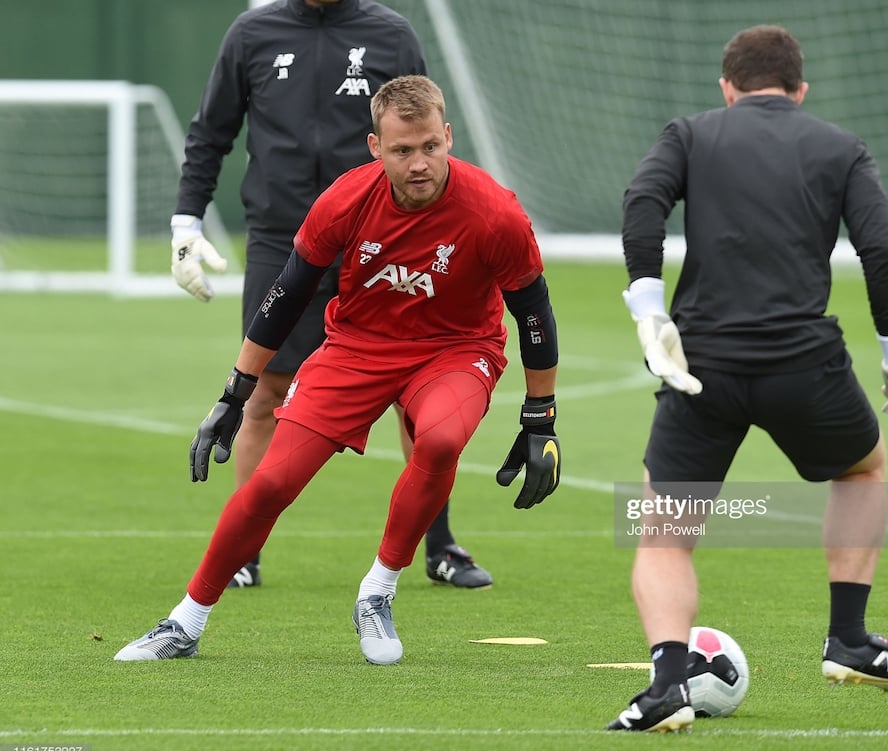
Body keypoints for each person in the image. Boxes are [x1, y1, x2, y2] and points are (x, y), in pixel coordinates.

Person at [116, 75, 562, 666]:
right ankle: (186, 621)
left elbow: (533, 310)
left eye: (430, 145)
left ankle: (377, 591)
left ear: (448, 136)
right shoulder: (346, 200)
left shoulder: (495, 212)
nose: (420, 162)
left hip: (457, 349)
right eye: (403, 150)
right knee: (272, 482)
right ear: (376, 148)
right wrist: (234, 391)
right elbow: (286, 294)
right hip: (357, 348)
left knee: (442, 438)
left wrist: (540, 418)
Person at [607, 25, 888, 733]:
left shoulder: (691, 133)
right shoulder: (839, 146)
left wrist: (649, 312)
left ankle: (666, 683)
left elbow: (641, 203)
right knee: (864, 467)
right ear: (799, 90)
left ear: (727, 88)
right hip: (801, 362)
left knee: (663, 531)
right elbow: (881, 249)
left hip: (705, 367)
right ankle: (848, 638)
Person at [170, 0, 491, 591]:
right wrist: (186, 222)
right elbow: (212, 131)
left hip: (385, 235)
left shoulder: (390, 33)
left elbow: (423, 136)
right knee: (267, 387)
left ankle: (439, 546)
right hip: (281, 236)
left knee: (416, 390)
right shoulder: (252, 33)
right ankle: (244, 552)